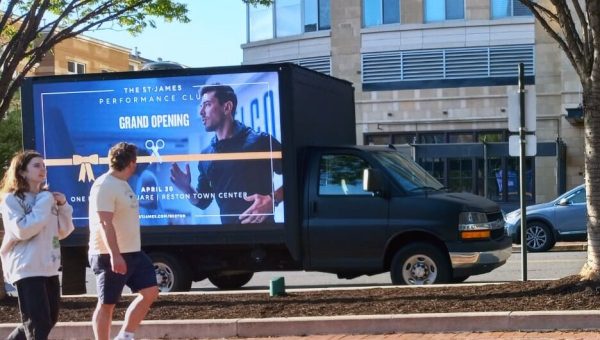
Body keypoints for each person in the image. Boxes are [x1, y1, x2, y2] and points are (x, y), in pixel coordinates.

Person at [170, 84, 283, 224]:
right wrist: (187, 189)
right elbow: (203, 201)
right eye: (201, 106)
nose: (201, 112)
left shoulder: (261, 141)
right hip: (228, 239)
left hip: (264, 238)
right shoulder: (205, 156)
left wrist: (273, 199)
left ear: (227, 107)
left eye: (207, 105)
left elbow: (297, 173)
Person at [0, 150, 74, 340]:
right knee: (38, 324)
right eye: (36, 165)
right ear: (22, 172)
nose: (43, 169)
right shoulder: (11, 199)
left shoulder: (46, 198)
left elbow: (62, 232)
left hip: (48, 268)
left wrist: (63, 205)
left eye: (44, 165)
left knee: (48, 319)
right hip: (26, 268)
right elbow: (22, 230)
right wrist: (43, 202)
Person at [88, 142, 159, 340]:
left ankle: (125, 336)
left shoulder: (123, 183)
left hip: (133, 252)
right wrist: (114, 255)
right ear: (132, 164)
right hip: (107, 254)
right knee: (107, 304)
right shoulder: (105, 184)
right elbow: (104, 222)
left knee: (151, 291)